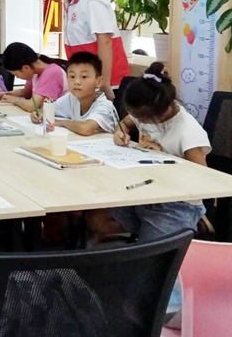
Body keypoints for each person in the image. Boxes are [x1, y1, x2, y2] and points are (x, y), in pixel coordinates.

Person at [87, 62, 210, 244]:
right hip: (144, 192)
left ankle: (192, 222)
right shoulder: (146, 109)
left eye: (141, 118)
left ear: (158, 114)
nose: (138, 120)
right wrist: (120, 132)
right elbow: (125, 123)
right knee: (95, 220)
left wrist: (165, 157)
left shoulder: (188, 132)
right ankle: (142, 233)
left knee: (152, 250)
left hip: (176, 203)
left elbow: (204, 179)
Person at [35, 0, 130, 100]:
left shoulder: (92, 1)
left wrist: (104, 82)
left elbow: (105, 42)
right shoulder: (69, 1)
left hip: (107, 82)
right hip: (87, 78)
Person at [31, 52, 119, 135]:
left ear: (98, 81)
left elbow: (86, 129)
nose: (76, 82)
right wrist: (39, 115)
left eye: (84, 77)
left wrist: (63, 122)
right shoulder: (70, 98)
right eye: (72, 76)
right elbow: (48, 111)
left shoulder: (105, 106)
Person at [0, 42, 68, 113]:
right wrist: (5, 94)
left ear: (26, 68)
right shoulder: (34, 71)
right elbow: (26, 92)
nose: (17, 77)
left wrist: (13, 100)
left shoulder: (51, 73)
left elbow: (32, 106)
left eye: (16, 74)